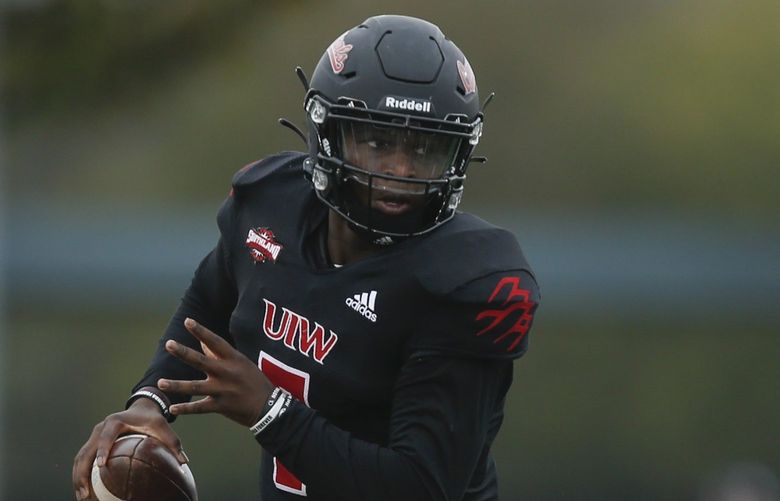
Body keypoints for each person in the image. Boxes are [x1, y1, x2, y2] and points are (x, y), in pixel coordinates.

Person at [73, 14, 540, 501]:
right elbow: (209, 302)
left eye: (425, 149)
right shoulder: (270, 206)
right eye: (378, 143)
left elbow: (420, 485)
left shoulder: (464, 284)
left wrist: (270, 411)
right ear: (328, 132)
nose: (401, 171)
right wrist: (152, 400)